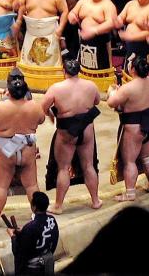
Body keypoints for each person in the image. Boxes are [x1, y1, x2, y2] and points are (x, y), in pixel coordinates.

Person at [0, 71, 45, 227]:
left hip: (6, 150)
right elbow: (41, 120)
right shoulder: (35, 106)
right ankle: (38, 217)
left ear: (8, 91)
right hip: (27, 149)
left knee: (2, 186)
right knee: (31, 185)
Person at [41, 60, 102, 214]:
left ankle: (58, 206)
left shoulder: (56, 88)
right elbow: (97, 101)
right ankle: (95, 200)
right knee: (89, 166)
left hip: (67, 132)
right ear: (79, 71)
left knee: (63, 168)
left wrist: (51, 115)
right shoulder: (90, 85)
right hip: (87, 130)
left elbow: (43, 107)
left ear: (64, 71)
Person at [107, 57, 149, 201]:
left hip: (134, 126)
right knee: (148, 156)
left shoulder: (128, 88)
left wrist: (114, 92)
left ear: (133, 70)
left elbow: (111, 103)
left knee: (129, 161)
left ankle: (130, 193)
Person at [14, 0, 68, 83]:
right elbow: (20, 6)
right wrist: (18, 19)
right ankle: (27, 82)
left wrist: (61, 28)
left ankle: (51, 84)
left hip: (49, 32)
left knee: (50, 59)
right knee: (29, 59)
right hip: (31, 31)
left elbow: (65, 11)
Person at [67, 0, 117, 74]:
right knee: (83, 69)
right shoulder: (82, 2)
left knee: (101, 71)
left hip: (100, 42)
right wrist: (71, 16)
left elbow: (111, 23)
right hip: (83, 40)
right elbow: (72, 12)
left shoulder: (108, 5)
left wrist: (95, 30)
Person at [9, 192, 59, 275]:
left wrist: (13, 236)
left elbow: (18, 252)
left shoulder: (30, 228)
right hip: (48, 264)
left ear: (34, 207)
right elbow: (54, 240)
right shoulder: (52, 220)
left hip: (32, 270)